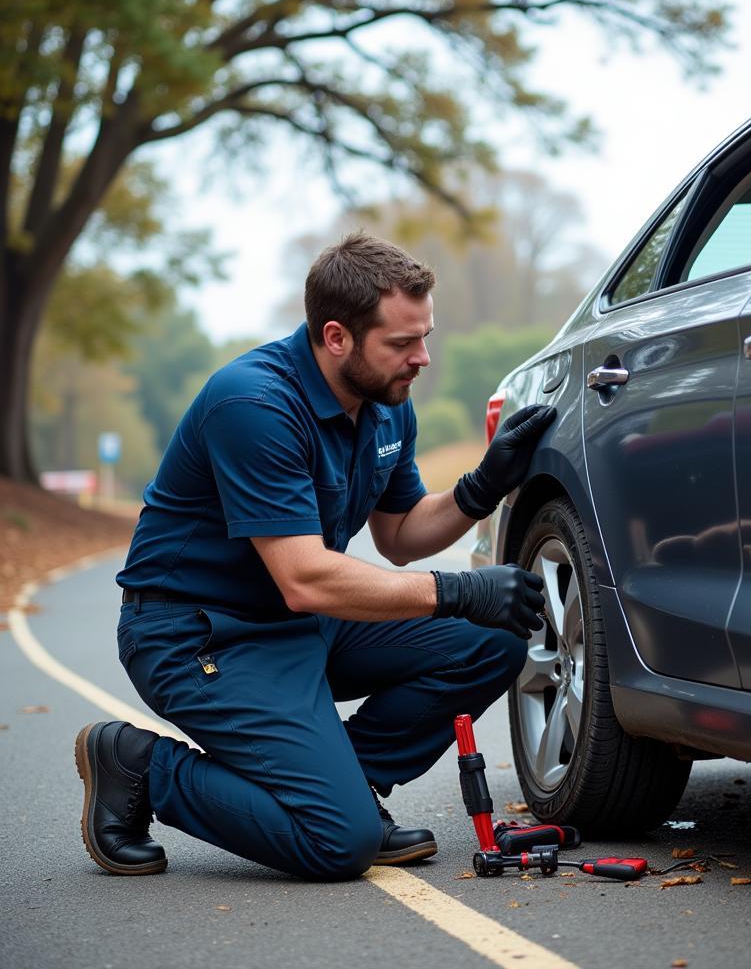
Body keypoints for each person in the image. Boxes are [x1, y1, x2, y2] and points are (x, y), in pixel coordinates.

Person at [74, 231, 556, 881]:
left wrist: (481, 488)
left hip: (298, 625)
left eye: (426, 337)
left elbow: (400, 533)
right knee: (338, 844)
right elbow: (303, 577)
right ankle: (140, 767)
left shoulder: (385, 403)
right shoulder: (254, 404)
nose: (422, 358)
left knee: (490, 640)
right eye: (401, 343)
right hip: (198, 637)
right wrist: (456, 589)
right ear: (336, 337)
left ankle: (351, 782)